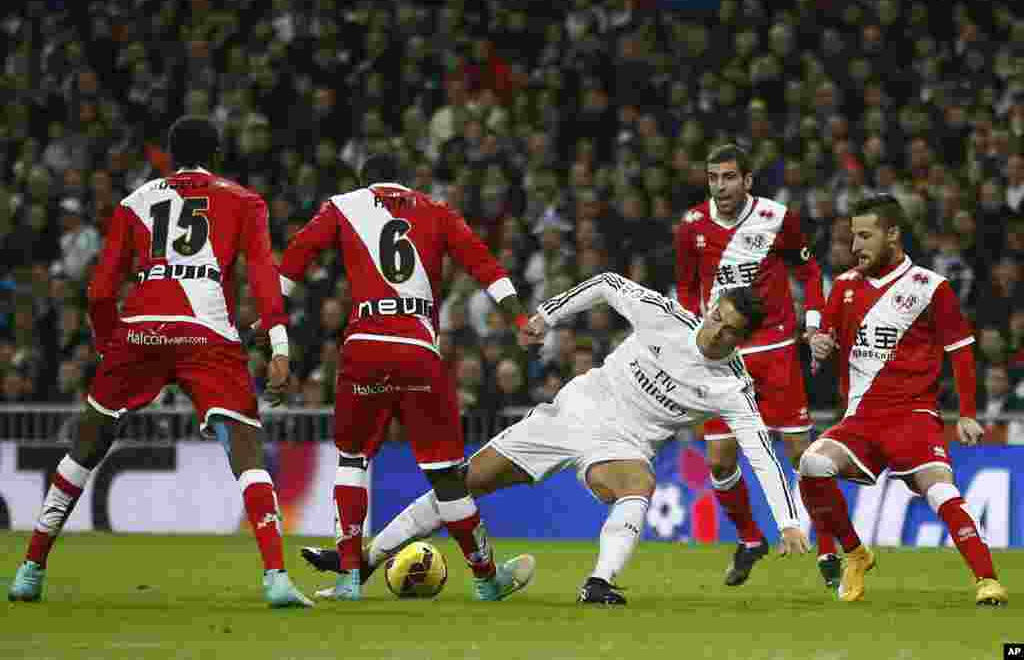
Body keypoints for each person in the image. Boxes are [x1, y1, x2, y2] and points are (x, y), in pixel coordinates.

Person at [304, 273, 811, 605]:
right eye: (715, 316)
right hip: (579, 406)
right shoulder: (665, 316)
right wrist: (548, 313)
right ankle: (363, 561)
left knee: (638, 486)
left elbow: (762, 454)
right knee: (463, 483)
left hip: (626, 443)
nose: (713, 331)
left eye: (727, 331)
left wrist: (788, 522)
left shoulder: (732, 386)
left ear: (741, 341)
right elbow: (610, 284)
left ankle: (599, 584)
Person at [8, 116, 312, 608]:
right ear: (215, 156)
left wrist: (112, 346)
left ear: (171, 156)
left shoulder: (136, 202)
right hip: (207, 331)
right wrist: (278, 346)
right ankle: (276, 576)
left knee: (86, 445)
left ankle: (30, 568)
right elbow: (262, 277)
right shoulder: (242, 201)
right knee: (246, 451)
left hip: (141, 329)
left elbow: (102, 288)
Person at [271, 153, 535, 602]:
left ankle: (349, 578)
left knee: (353, 461)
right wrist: (519, 320)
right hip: (417, 352)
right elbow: (484, 265)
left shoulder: (341, 205)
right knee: (446, 476)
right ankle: (486, 578)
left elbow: (293, 263)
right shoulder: (436, 210)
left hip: (364, 348)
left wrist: (274, 334)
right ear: (406, 180)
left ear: (363, 181)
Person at [804, 193, 1008, 606]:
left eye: (865, 236)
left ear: (893, 234)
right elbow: (826, 340)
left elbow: (962, 350)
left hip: (912, 417)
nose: (855, 246)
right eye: (852, 237)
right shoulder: (842, 287)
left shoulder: (931, 287)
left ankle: (986, 580)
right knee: (812, 463)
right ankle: (856, 553)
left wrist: (967, 413)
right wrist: (819, 346)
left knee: (939, 490)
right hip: (860, 419)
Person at [674, 143, 838, 588]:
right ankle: (750, 539)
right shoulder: (692, 226)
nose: (721, 185)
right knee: (720, 462)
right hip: (722, 359)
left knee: (801, 455)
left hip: (776, 350)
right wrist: (694, 338)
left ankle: (827, 547)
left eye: (729, 177)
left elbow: (808, 271)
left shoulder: (777, 218)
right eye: (713, 178)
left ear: (747, 180)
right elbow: (687, 289)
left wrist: (813, 323)